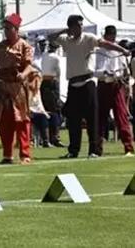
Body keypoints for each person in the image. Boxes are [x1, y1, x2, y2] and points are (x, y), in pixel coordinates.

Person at [49, 16, 129, 158]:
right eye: (77, 25)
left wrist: (122, 49)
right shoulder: (66, 40)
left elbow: (105, 44)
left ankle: (94, 150)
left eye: (81, 25)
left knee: (92, 118)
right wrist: (65, 31)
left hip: (88, 82)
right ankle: (73, 150)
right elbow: (50, 38)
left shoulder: (89, 38)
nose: (81, 27)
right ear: (71, 27)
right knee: (73, 120)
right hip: (73, 83)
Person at [0, 13, 35, 164]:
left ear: (16, 29)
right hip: (3, 87)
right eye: (5, 28)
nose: (6, 31)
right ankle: (7, 154)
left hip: (18, 87)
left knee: (21, 121)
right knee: (4, 121)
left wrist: (23, 74)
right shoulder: (0, 46)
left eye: (9, 28)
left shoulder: (24, 46)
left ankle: (25, 154)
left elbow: (29, 66)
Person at [94, 26, 133, 156]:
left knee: (121, 116)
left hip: (116, 86)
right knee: (100, 118)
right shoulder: (98, 51)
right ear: (105, 36)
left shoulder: (118, 51)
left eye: (113, 36)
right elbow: (94, 71)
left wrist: (121, 74)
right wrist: (104, 73)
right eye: (110, 36)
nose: (112, 39)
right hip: (103, 85)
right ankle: (97, 148)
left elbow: (124, 69)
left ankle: (128, 147)